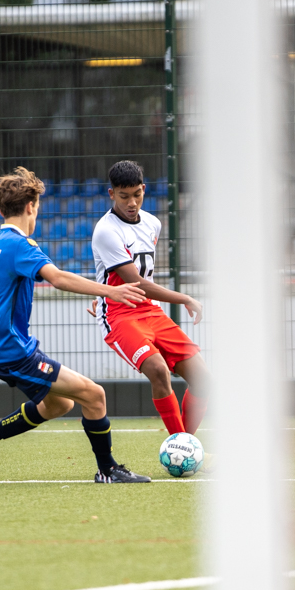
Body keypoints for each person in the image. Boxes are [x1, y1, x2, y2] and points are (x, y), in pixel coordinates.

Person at [0, 167, 151, 484]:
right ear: (32, 206)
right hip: (8, 347)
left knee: (59, 404)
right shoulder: (20, 245)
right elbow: (58, 278)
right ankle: (108, 470)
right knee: (94, 395)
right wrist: (111, 290)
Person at [88, 160, 210, 435]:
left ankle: (184, 448)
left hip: (151, 312)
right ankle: (180, 442)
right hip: (119, 315)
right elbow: (137, 283)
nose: (132, 202)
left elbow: (146, 282)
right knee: (158, 369)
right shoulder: (106, 231)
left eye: (137, 194)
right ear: (111, 194)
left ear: (144, 189)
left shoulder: (153, 224)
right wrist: (185, 298)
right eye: (124, 196)